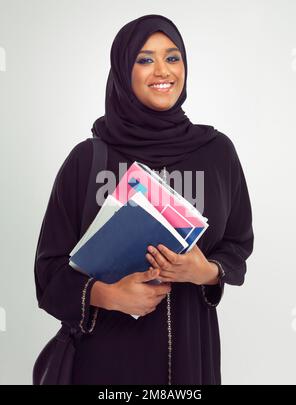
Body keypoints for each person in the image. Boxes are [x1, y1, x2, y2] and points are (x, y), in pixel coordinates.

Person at [34, 14, 254, 385]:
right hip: (105, 362)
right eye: (144, 59)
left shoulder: (217, 153)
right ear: (122, 70)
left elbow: (238, 243)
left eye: (172, 57)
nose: (162, 71)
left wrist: (208, 272)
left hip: (190, 357)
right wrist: (106, 295)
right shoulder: (88, 160)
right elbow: (48, 273)